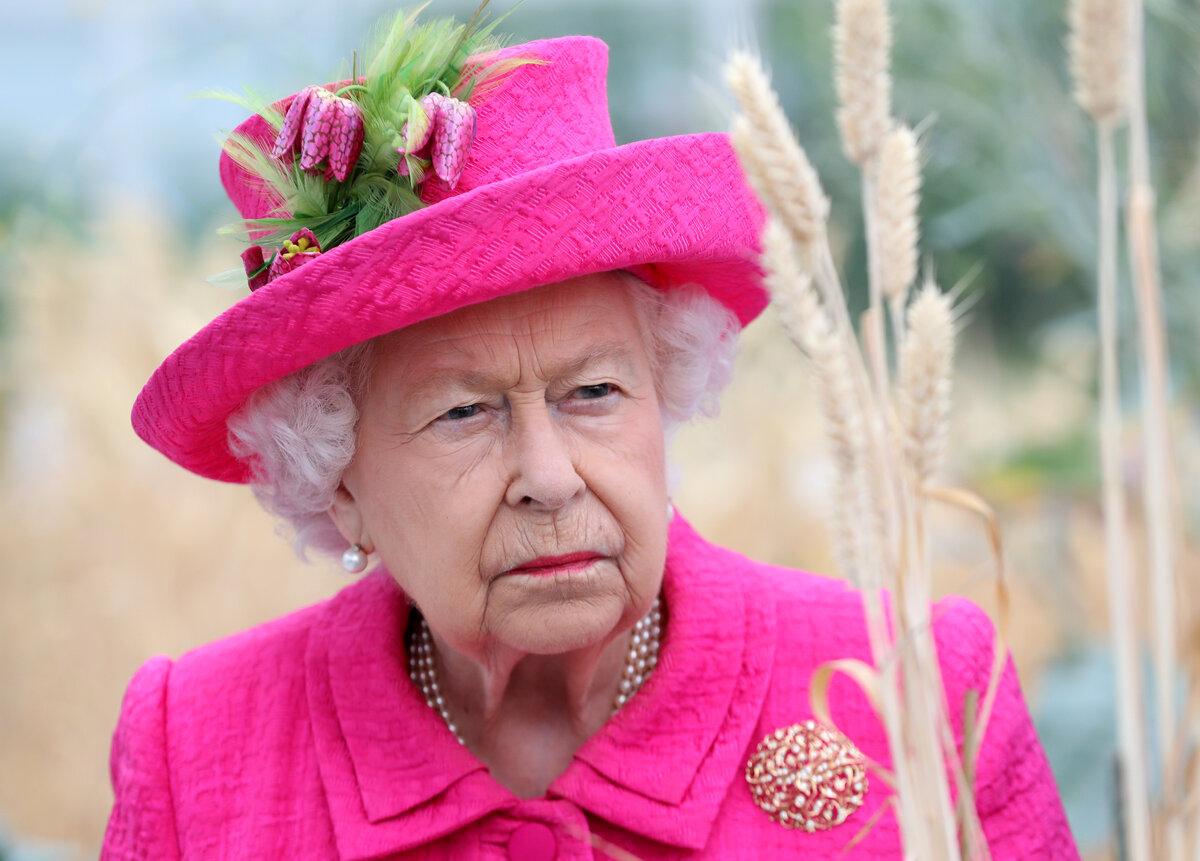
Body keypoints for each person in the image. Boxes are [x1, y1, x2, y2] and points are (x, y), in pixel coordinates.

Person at [103, 9, 1078, 860]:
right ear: (337, 478)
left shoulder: (911, 692)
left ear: (667, 391)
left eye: (595, 391)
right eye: (464, 412)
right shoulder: (197, 746)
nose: (549, 476)